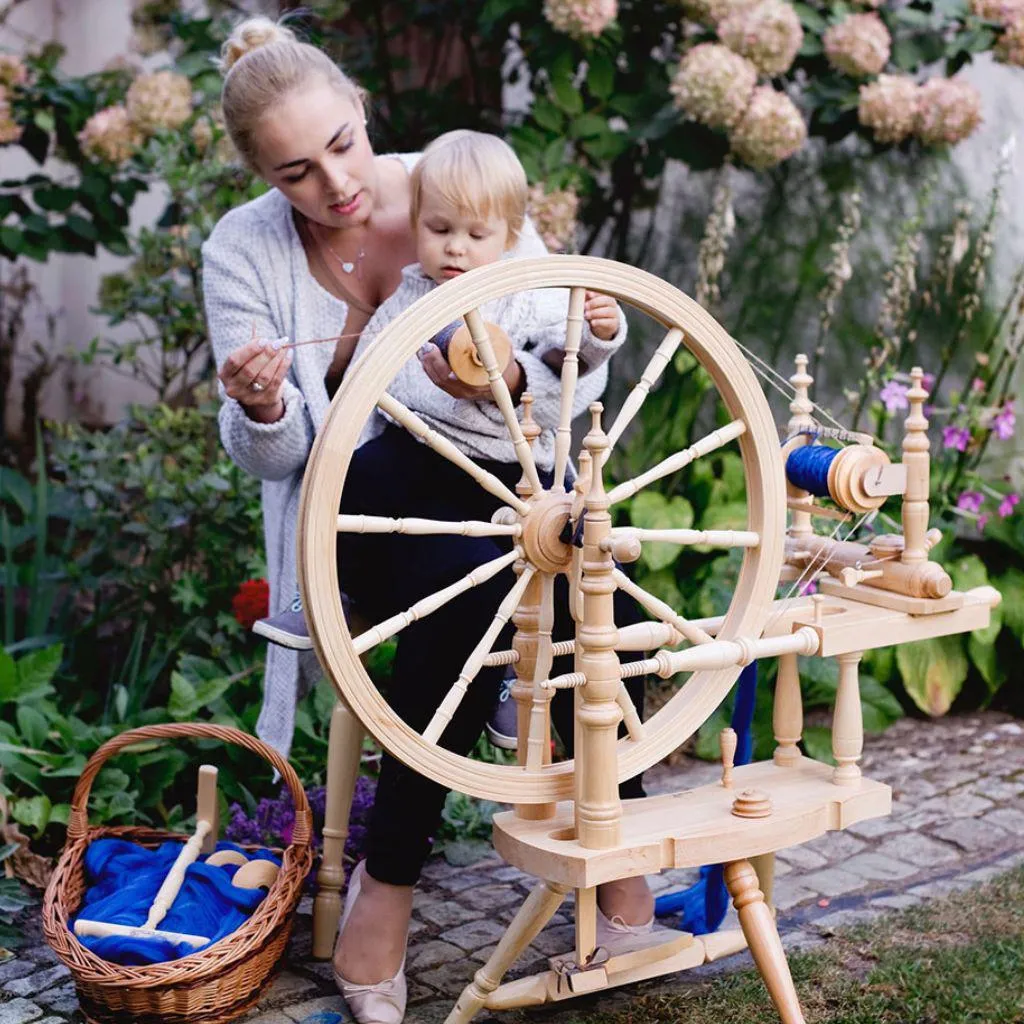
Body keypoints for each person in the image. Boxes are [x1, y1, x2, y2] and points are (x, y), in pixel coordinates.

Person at [201, 18, 654, 1024]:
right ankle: (400, 880)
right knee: (493, 578)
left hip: (496, 492)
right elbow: (272, 457)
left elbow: (554, 371)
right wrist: (264, 405)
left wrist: (573, 346)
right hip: (353, 508)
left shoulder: (460, 182)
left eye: (342, 145)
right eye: (295, 173)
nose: (335, 185)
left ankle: (569, 838)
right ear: (263, 179)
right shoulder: (240, 249)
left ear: (362, 112)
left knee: (579, 573)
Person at [253, 128, 626, 654]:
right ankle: (332, 596)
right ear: (415, 224)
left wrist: (598, 332)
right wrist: (340, 453)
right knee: (359, 472)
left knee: (514, 574)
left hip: (512, 474)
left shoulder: (527, 296)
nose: (455, 246)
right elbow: (365, 390)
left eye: (477, 235)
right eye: (439, 228)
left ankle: (507, 687)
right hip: (425, 463)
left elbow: (569, 364)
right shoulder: (405, 299)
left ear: (510, 236)